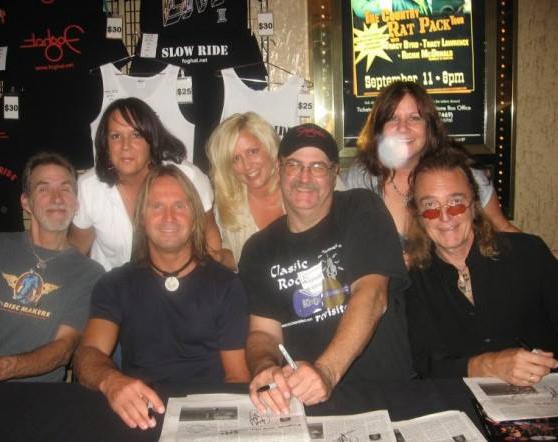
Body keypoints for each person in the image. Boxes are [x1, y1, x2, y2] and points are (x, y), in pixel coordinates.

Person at [239, 124, 413, 416]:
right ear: (279, 170)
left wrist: (326, 372)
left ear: (334, 174)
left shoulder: (361, 209)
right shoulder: (258, 250)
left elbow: (372, 296)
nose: (304, 177)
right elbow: (263, 335)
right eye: (294, 165)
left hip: (383, 396)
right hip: (303, 402)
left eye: (318, 167)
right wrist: (266, 368)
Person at [74, 165, 250, 430]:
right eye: (157, 206)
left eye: (179, 206)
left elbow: (237, 376)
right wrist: (112, 381)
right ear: (141, 219)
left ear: (195, 218)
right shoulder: (114, 285)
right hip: (139, 414)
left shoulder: (226, 285)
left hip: (209, 415)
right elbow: (88, 354)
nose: (169, 217)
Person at [404, 150, 558, 386]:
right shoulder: (412, 280)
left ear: (474, 205)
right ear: (418, 215)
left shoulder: (529, 253)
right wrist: (488, 365)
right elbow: (425, 364)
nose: (445, 217)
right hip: (460, 401)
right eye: (431, 206)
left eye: (456, 203)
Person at [0, 152, 104, 384]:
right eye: (43, 189)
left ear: (76, 203)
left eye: (65, 189)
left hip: (38, 393)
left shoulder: (90, 274)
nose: (57, 198)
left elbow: (64, 348)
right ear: (26, 202)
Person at [342, 81, 518, 257]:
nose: (402, 128)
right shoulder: (361, 177)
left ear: (429, 126)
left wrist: (532, 259)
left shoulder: (462, 173)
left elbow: (503, 230)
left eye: (414, 118)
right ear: (379, 128)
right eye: (392, 118)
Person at [69, 97, 222, 272]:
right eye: (116, 136)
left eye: (136, 135)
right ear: (106, 145)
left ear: (152, 139)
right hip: (111, 284)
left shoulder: (189, 177)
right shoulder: (89, 187)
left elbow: (209, 237)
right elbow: (76, 253)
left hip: (178, 281)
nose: (125, 146)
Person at [206, 112, 283, 267]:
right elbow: (237, 258)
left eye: (252, 152)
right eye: (236, 159)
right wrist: (219, 258)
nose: (247, 166)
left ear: (269, 146)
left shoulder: (301, 186)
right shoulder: (228, 206)